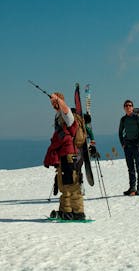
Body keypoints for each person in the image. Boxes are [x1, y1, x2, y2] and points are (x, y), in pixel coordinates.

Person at [44, 92, 86, 220]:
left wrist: (58, 99)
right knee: (64, 184)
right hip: (63, 154)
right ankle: (66, 211)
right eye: (52, 103)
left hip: (70, 154)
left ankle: (78, 213)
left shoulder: (68, 116)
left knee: (72, 184)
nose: (53, 104)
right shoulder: (58, 116)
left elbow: (65, 108)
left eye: (55, 102)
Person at [118, 99, 139, 196]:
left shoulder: (138, 117)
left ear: (132, 107)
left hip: (137, 146)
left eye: (130, 105)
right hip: (128, 146)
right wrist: (123, 143)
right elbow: (120, 132)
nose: (128, 107)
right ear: (124, 108)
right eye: (126, 105)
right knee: (130, 168)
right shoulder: (123, 119)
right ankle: (132, 188)